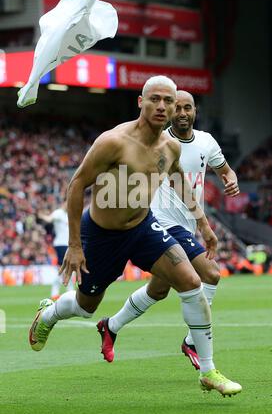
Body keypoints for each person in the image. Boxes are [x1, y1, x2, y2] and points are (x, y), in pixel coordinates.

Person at [29, 76, 242, 396]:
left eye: (168, 101)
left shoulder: (169, 146)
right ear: (140, 102)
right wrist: (74, 245)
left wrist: (205, 226)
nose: (162, 106)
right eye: (154, 99)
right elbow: (76, 185)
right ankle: (50, 313)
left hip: (143, 228)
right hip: (101, 235)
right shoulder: (113, 141)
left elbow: (180, 182)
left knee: (192, 282)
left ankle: (208, 370)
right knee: (86, 306)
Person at [98, 90, 239, 370]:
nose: (183, 113)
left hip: (188, 223)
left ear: (195, 111)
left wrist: (230, 180)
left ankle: (110, 326)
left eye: (189, 108)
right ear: (171, 110)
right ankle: (191, 341)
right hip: (161, 221)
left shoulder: (207, 141)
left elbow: (225, 170)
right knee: (210, 274)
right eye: (179, 108)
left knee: (159, 290)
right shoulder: (158, 142)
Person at [38, 201, 73, 299]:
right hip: (61, 244)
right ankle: (60, 291)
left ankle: (66, 291)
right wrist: (41, 216)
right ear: (63, 203)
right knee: (63, 269)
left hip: (68, 245)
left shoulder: (67, 215)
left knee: (67, 269)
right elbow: (49, 219)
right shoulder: (58, 213)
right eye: (67, 202)